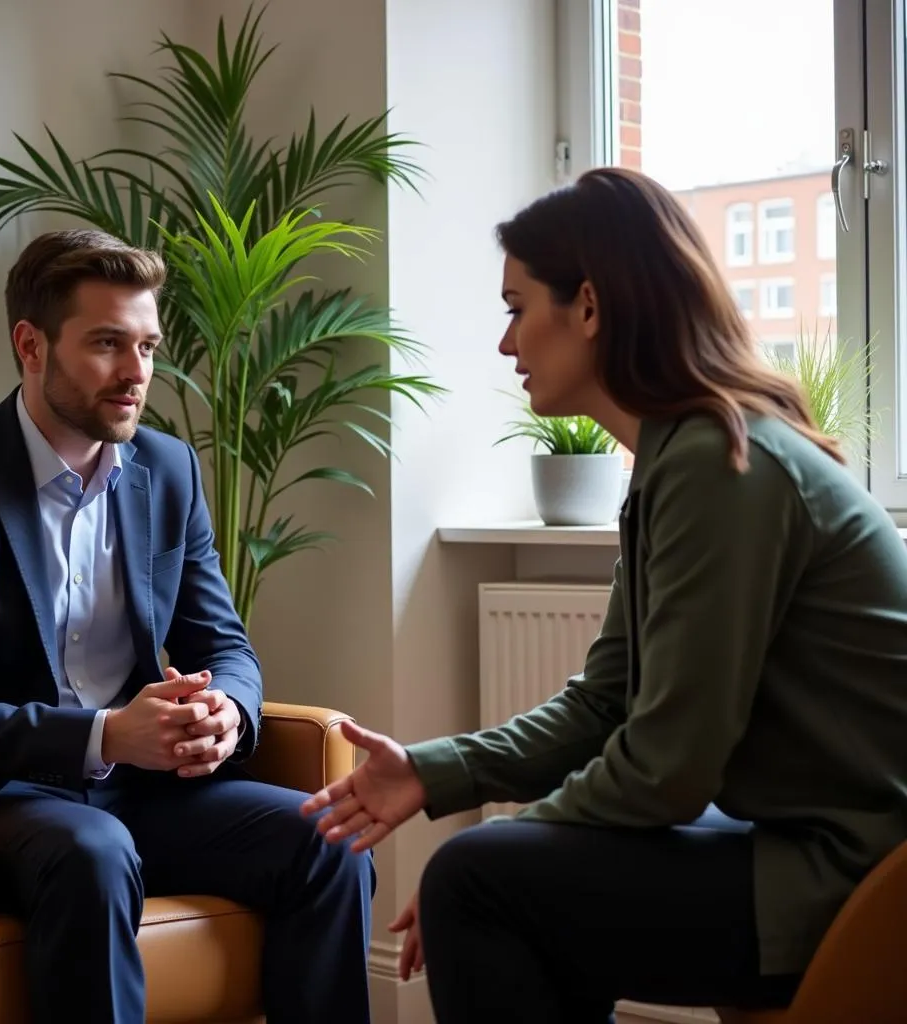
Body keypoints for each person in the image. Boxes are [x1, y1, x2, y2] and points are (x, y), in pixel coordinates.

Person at [301, 167, 907, 1023]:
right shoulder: (682, 459)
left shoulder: (719, 463)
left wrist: (518, 836)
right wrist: (435, 772)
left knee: (479, 882)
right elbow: (604, 704)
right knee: (500, 876)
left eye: (516, 308)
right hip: (808, 847)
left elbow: (666, 768)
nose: (506, 344)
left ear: (588, 306)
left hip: (859, 870)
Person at [0, 229, 375, 1024]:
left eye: (146, 344)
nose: (137, 371)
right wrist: (105, 736)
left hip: (154, 792)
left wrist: (229, 712)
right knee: (94, 855)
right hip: (9, 798)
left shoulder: (169, 470)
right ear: (31, 344)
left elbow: (224, 646)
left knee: (324, 835)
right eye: (108, 343)